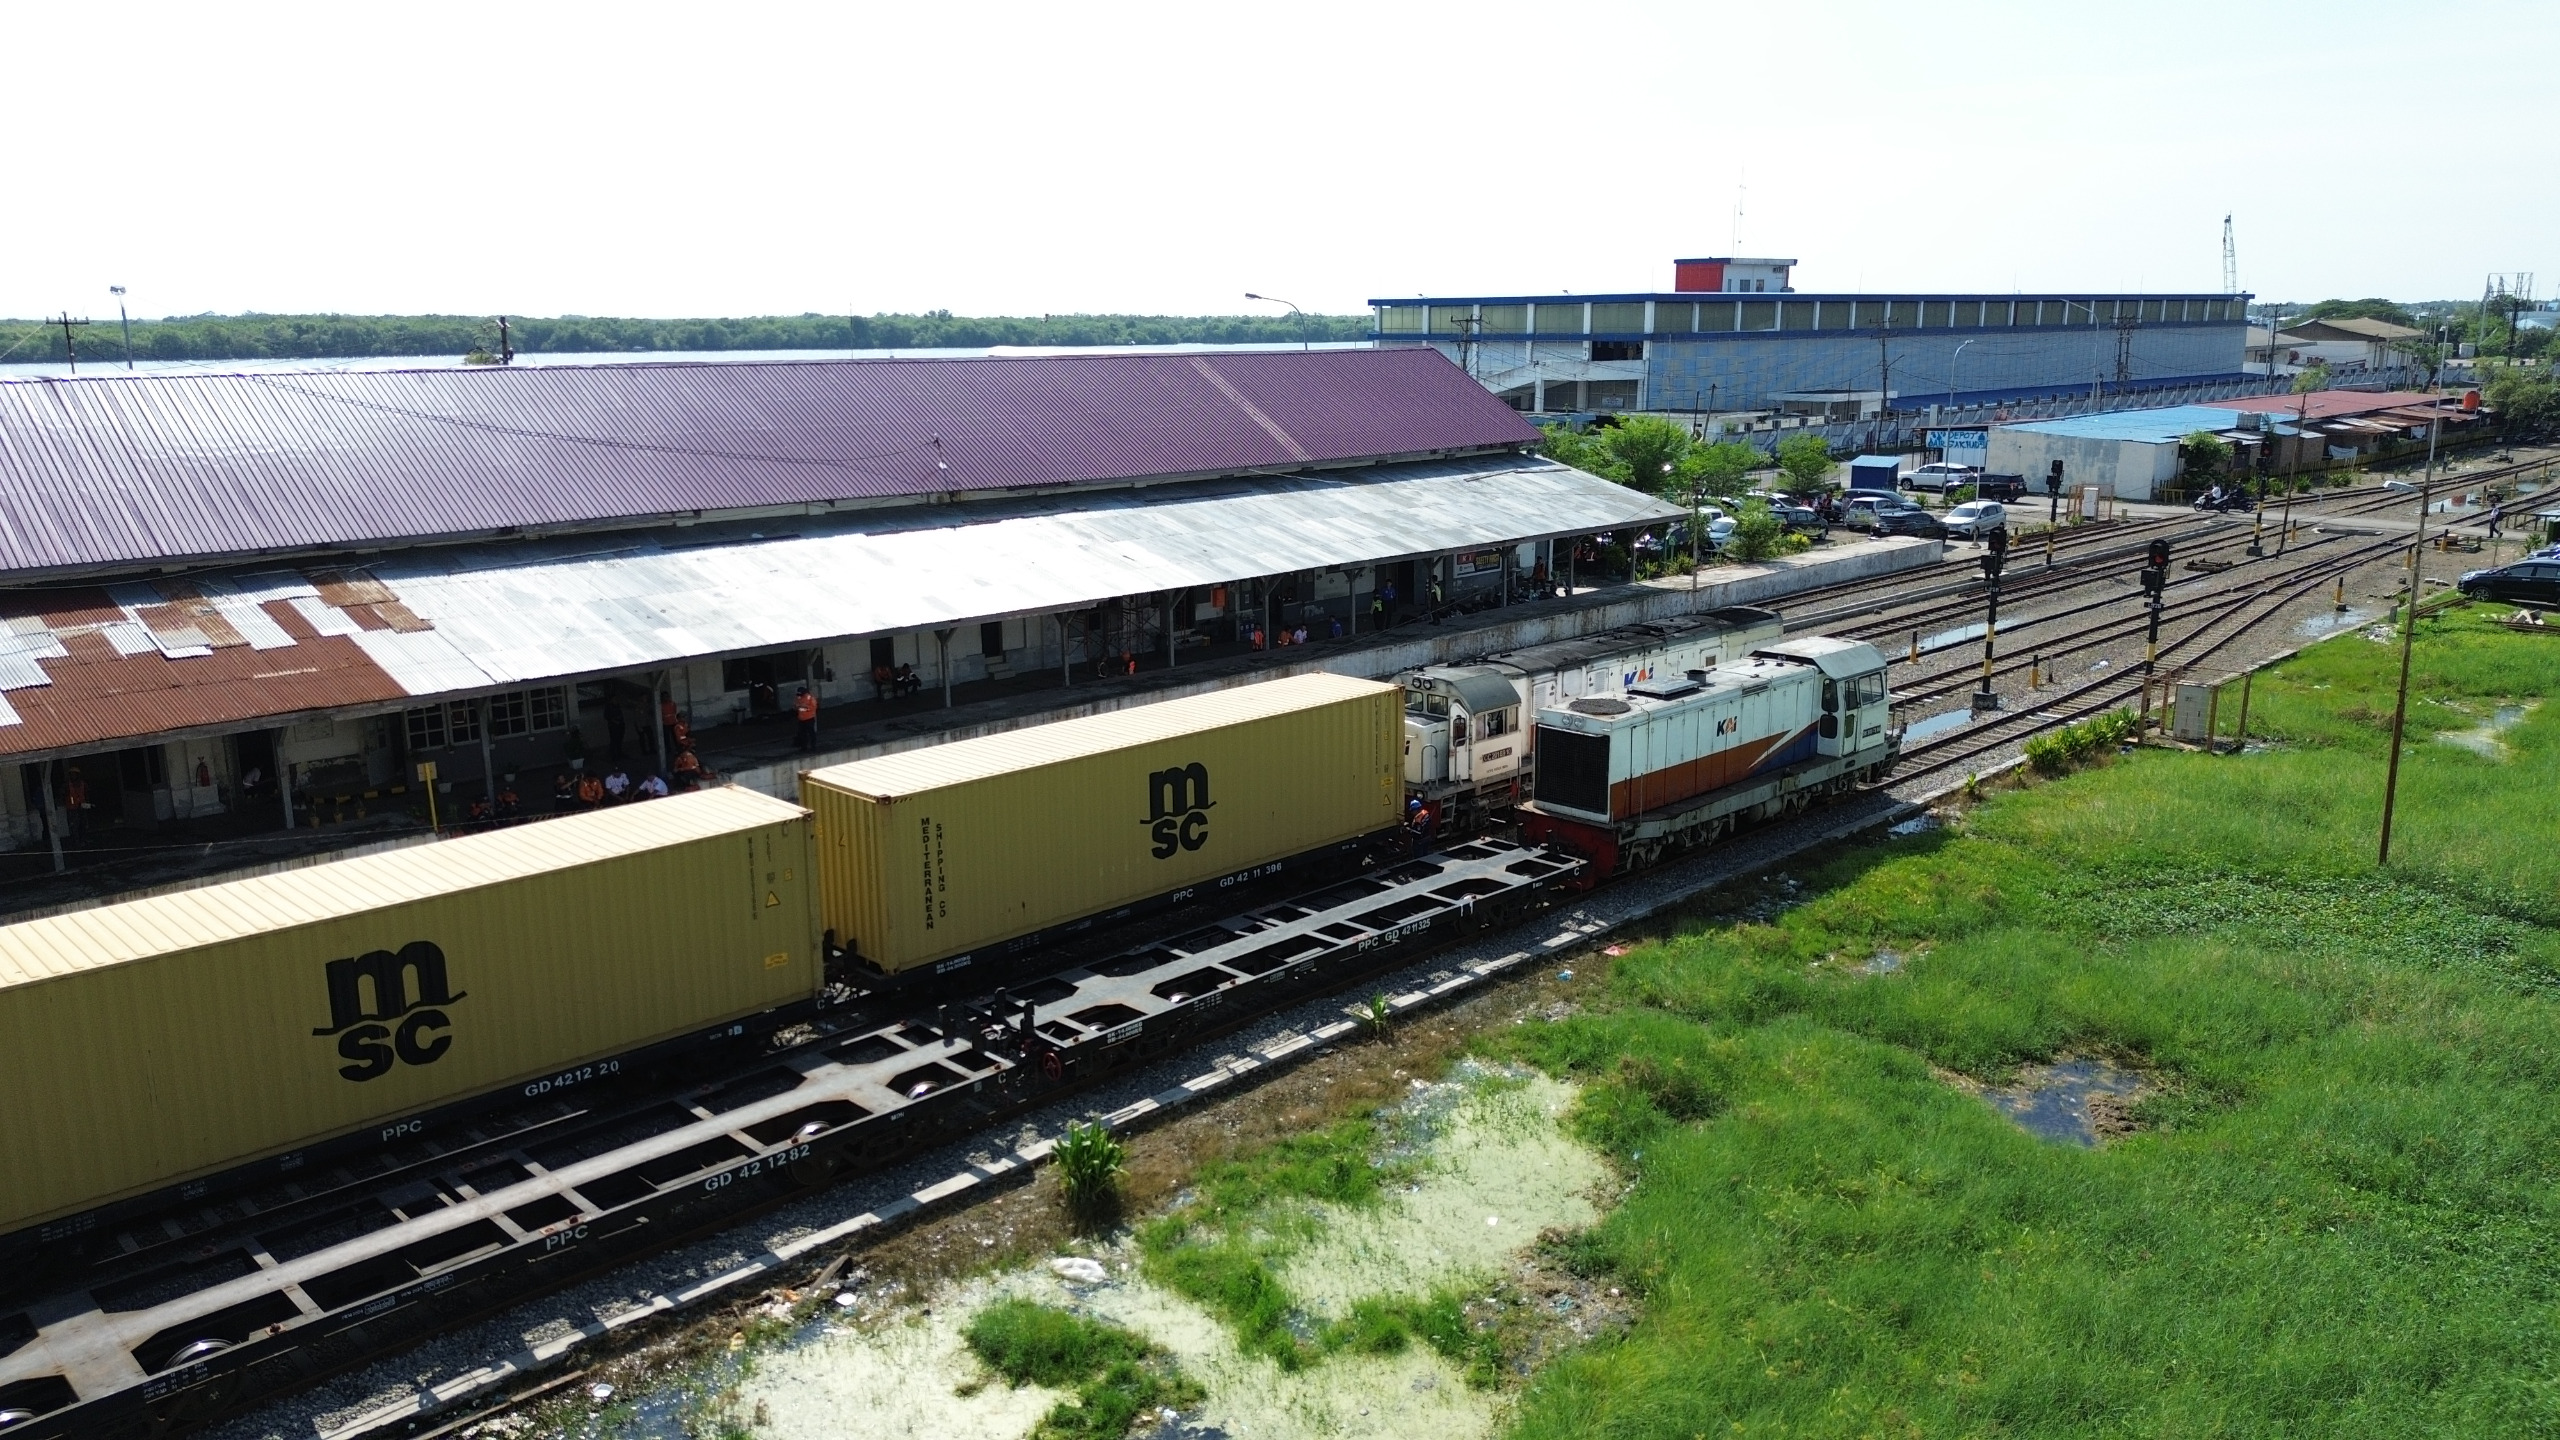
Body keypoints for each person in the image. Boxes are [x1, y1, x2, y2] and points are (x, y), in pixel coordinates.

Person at [793, 685, 820, 753]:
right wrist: (797, 707)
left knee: (811, 733)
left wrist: (804, 707)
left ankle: (813, 746)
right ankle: (804, 747)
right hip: (801, 719)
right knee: (802, 734)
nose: (799, 695)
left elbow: (813, 707)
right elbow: (795, 706)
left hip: (809, 718)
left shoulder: (810, 698)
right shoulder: (798, 697)